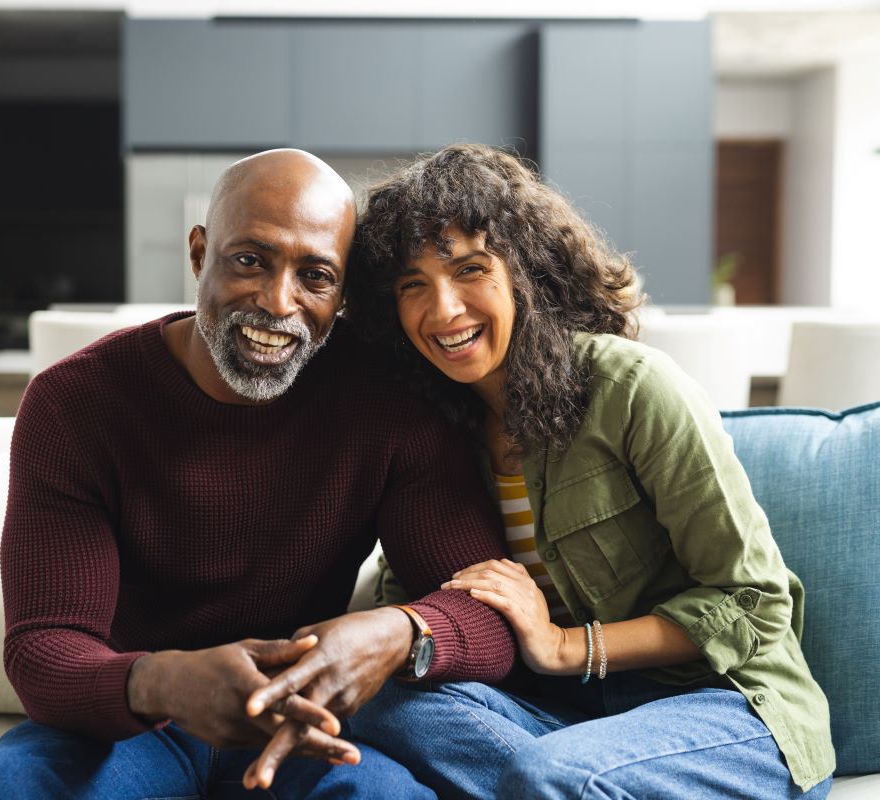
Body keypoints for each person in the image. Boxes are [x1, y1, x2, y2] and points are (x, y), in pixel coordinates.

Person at [0, 149, 518, 800]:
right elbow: (43, 648)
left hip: (299, 718)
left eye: (315, 276)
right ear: (200, 254)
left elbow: (488, 618)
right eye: (250, 260)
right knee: (15, 786)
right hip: (131, 722)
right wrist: (166, 681)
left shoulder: (392, 403)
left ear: (342, 292)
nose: (276, 302)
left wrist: (401, 633)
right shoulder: (75, 404)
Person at [342, 143, 835, 799]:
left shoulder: (630, 387)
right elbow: (416, 588)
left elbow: (754, 603)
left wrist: (565, 645)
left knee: (552, 774)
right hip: (569, 721)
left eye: (469, 270)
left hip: (728, 708)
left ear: (526, 269)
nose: (443, 310)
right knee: (373, 704)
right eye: (413, 285)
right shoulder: (436, 432)